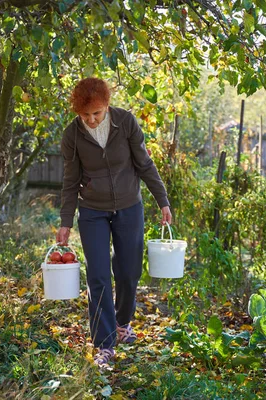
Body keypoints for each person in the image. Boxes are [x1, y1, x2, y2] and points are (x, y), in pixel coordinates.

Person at [56, 77, 172, 367]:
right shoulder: (72, 135)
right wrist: (65, 221)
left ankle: (122, 323)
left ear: (106, 105)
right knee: (98, 276)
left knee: (129, 272)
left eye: (96, 113)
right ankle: (104, 343)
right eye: (85, 115)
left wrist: (163, 201)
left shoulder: (126, 122)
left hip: (129, 207)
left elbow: (144, 164)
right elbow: (70, 181)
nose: (91, 120)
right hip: (93, 211)